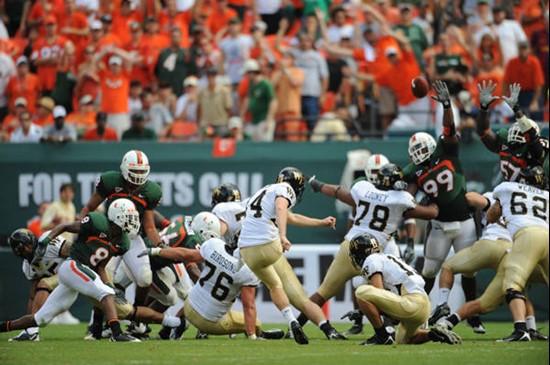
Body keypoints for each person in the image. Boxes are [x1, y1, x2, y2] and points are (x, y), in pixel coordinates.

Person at [0, 199, 186, 342]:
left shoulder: (123, 241)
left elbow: (101, 266)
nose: (133, 221)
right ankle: (117, 334)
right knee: (104, 294)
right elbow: (66, 227)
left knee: (41, 318)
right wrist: (47, 241)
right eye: (129, 217)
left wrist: (109, 284)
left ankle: (4, 327)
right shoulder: (96, 221)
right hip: (73, 266)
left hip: (79, 273)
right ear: (116, 216)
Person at [299, 164, 439, 331]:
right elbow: (430, 213)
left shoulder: (363, 188)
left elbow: (340, 192)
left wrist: (320, 186)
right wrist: (436, 202)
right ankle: (385, 330)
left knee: (322, 293)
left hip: (350, 247)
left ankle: (296, 327)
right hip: (373, 252)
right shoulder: (401, 199)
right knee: (385, 295)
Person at [403, 81, 481, 332]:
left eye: (421, 146)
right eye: (414, 149)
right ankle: (420, 313)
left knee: (468, 272)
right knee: (429, 270)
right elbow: (407, 199)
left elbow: (449, 127)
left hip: (465, 221)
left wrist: (447, 105)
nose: (419, 152)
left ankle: (473, 316)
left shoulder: (447, 149)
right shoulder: (413, 171)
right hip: (438, 225)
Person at [237, 167, 346, 344]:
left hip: (247, 252)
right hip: (268, 246)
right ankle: (327, 329)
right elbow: (281, 207)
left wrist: (320, 222)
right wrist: (282, 235)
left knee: (275, 286)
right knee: (299, 297)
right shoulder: (284, 189)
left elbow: (291, 217)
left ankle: (293, 321)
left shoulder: (265, 190)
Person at [435, 190, 547, 340]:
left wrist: (487, 205)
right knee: (518, 290)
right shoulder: (538, 204)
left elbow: (471, 198)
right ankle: (530, 329)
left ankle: (443, 313)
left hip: (491, 243)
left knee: (448, 266)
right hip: (514, 252)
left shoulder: (503, 192)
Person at [140, 232, 285, 340]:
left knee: (203, 297)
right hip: (210, 322)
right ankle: (259, 335)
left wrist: (157, 251)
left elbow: (185, 254)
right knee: (256, 323)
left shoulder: (215, 245)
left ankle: (174, 329)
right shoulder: (249, 270)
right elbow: (249, 307)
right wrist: (252, 336)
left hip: (189, 308)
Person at [80, 150, 162, 315]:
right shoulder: (111, 181)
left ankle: (136, 318)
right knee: (104, 281)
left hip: (132, 237)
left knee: (145, 278)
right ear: (125, 168)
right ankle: (96, 326)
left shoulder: (151, 191)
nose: (138, 175)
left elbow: (150, 226)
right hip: (110, 236)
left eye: (141, 171)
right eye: (135, 171)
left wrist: (160, 246)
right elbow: (88, 208)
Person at [349, 233, 462, 345]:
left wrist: (362, 311)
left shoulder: (371, 260)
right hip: (424, 306)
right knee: (403, 339)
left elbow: (380, 293)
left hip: (411, 303)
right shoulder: (388, 257)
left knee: (361, 292)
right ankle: (434, 334)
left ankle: (381, 336)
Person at [487, 166, 549, 342]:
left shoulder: (506, 187)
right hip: (547, 236)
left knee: (512, 283)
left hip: (527, 235)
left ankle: (521, 329)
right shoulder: (547, 196)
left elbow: (491, 216)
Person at [475, 81, 548, 182]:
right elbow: (483, 131)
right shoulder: (506, 144)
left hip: (532, 190)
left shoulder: (534, 148)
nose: (517, 131)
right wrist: (483, 108)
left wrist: (516, 109)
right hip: (508, 190)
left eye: (521, 129)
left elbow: (533, 142)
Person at [503, 42, 545, 119]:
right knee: (513, 117)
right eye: (521, 49)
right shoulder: (512, 62)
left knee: (535, 114)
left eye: (525, 49)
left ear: (529, 50)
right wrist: (504, 99)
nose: (523, 51)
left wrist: (535, 101)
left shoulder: (534, 62)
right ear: (518, 50)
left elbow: (539, 84)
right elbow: (506, 82)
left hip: (531, 94)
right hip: (516, 94)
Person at [30, 15, 68, 95]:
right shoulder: (38, 43)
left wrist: (44, 61)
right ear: (44, 27)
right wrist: (51, 60)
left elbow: (63, 61)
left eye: (52, 25)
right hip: (42, 80)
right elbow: (35, 62)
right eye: (48, 25)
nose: (50, 28)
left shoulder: (63, 42)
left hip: (58, 79)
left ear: (56, 26)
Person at [242, 59, 277, 142]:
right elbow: (248, 99)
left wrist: (268, 120)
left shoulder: (266, 84)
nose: (246, 76)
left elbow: (273, 102)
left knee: (264, 145)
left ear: (252, 72)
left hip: (263, 120)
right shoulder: (251, 83)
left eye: (247, 73)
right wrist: (242, 116)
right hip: (254, 120)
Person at [155, 27, 196, 97]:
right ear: (170, 38)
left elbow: (192, 71)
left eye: (177, 37)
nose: (175, 39)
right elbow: (158, 71)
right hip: (167, 89)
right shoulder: (163, 53)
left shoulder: (186, 53)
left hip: (182, 88)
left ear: (181, 38)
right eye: (173, 37)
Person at [197, 67, 233, 139]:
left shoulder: (224, 91)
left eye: (213, 76)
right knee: (201, 141)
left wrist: (226, 121)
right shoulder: (201, 92)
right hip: (206, 124)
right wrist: (199, 123)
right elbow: (199, 109)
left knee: (223, 141)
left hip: (220, 123)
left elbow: (229, 109)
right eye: (209, 76)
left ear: (216, 77)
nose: (211, 78)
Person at [218, 17, 253, 88]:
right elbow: (221, 60)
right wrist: (221, 77)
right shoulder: (224, 42)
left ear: (240, 26)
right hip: (230, 76)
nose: (233, 27)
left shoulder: (247, 39)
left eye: (235, 25)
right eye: (231, 25)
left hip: (245, 75)